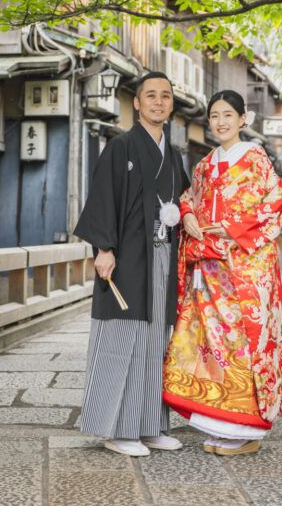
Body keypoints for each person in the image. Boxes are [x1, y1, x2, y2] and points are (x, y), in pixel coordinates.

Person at [163, 89, 282, 456]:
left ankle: (246, 426)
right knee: (213, 343)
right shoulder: (206, 165)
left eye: (228, 115)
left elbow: (275, 201)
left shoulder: (255, 158)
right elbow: (189, 198)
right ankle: (221, 420)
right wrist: (188, 215)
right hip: (209, 266)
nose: (221, 122)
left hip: (244, 268)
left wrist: (234, 227)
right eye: (215, 116)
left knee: (242, 342)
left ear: (243, 119)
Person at [75, 71, 189, 457]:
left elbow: (185, 202)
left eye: (166, 96)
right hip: (127, 258)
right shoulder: (120, 147)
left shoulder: (173, 156)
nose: (159, 102)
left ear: (172, 104)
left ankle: (151, 425)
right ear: (136, 103)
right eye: (151, 95)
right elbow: (104, 196)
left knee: (156, 341)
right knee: (121, 339)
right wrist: (104, 248)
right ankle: (117, 429)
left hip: (162, 257)